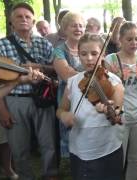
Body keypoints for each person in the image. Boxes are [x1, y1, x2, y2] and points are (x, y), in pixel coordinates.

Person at [0, 2, 58, 179]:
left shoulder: (43, 43)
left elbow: (54, 67)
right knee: (19, 146)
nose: (23, 19)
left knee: (48, 142)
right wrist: (2, 110)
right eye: (19, 16)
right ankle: (25, 176)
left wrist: (40, 67)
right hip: (15, 100)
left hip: (43, 98)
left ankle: (50, 174)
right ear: (11, 21)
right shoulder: (0, 46)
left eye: (27, 16)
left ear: (33, 20)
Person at [56, 33, 124, 180]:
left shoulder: (114, 82)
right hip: (80, 148)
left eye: (94, 53)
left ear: (103, 54)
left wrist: (108, 111)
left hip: (108, 147)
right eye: (84, 54)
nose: (89, 58)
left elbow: (116, 116)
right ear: (78, 56)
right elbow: (60, 109)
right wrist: (64, 115)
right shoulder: (73, 82)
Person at [104, 21, 137, 180]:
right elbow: (105, 92)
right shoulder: (111, 59)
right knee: (119, 157)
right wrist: (115, 76)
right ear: (121, 40)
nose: (134, 43)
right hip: (120, 115)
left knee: (135, 158)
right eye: (129, 39)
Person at [52, 11, 85, 158]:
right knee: (69, 130)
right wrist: (89, 73)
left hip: (88, 95)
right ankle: (70, 163)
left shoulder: (87, 48)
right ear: (65, 29)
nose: (78, 29)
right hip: (68, 96)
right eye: (74, 26)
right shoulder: (59, 50)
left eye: (81, 26)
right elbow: (66, 75)